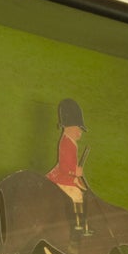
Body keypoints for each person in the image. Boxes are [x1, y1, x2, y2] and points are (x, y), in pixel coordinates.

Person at [46, 99, 89, 237]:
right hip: (62, 176)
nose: (79, 133)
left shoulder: (71, 142)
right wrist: (75, 171)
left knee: (83, 190)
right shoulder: (66, 143)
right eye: (77, 128)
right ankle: (78, 225)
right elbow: (65, 166)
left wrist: (75, 170)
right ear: (68, 127)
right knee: (77, 195)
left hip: (67, 175)